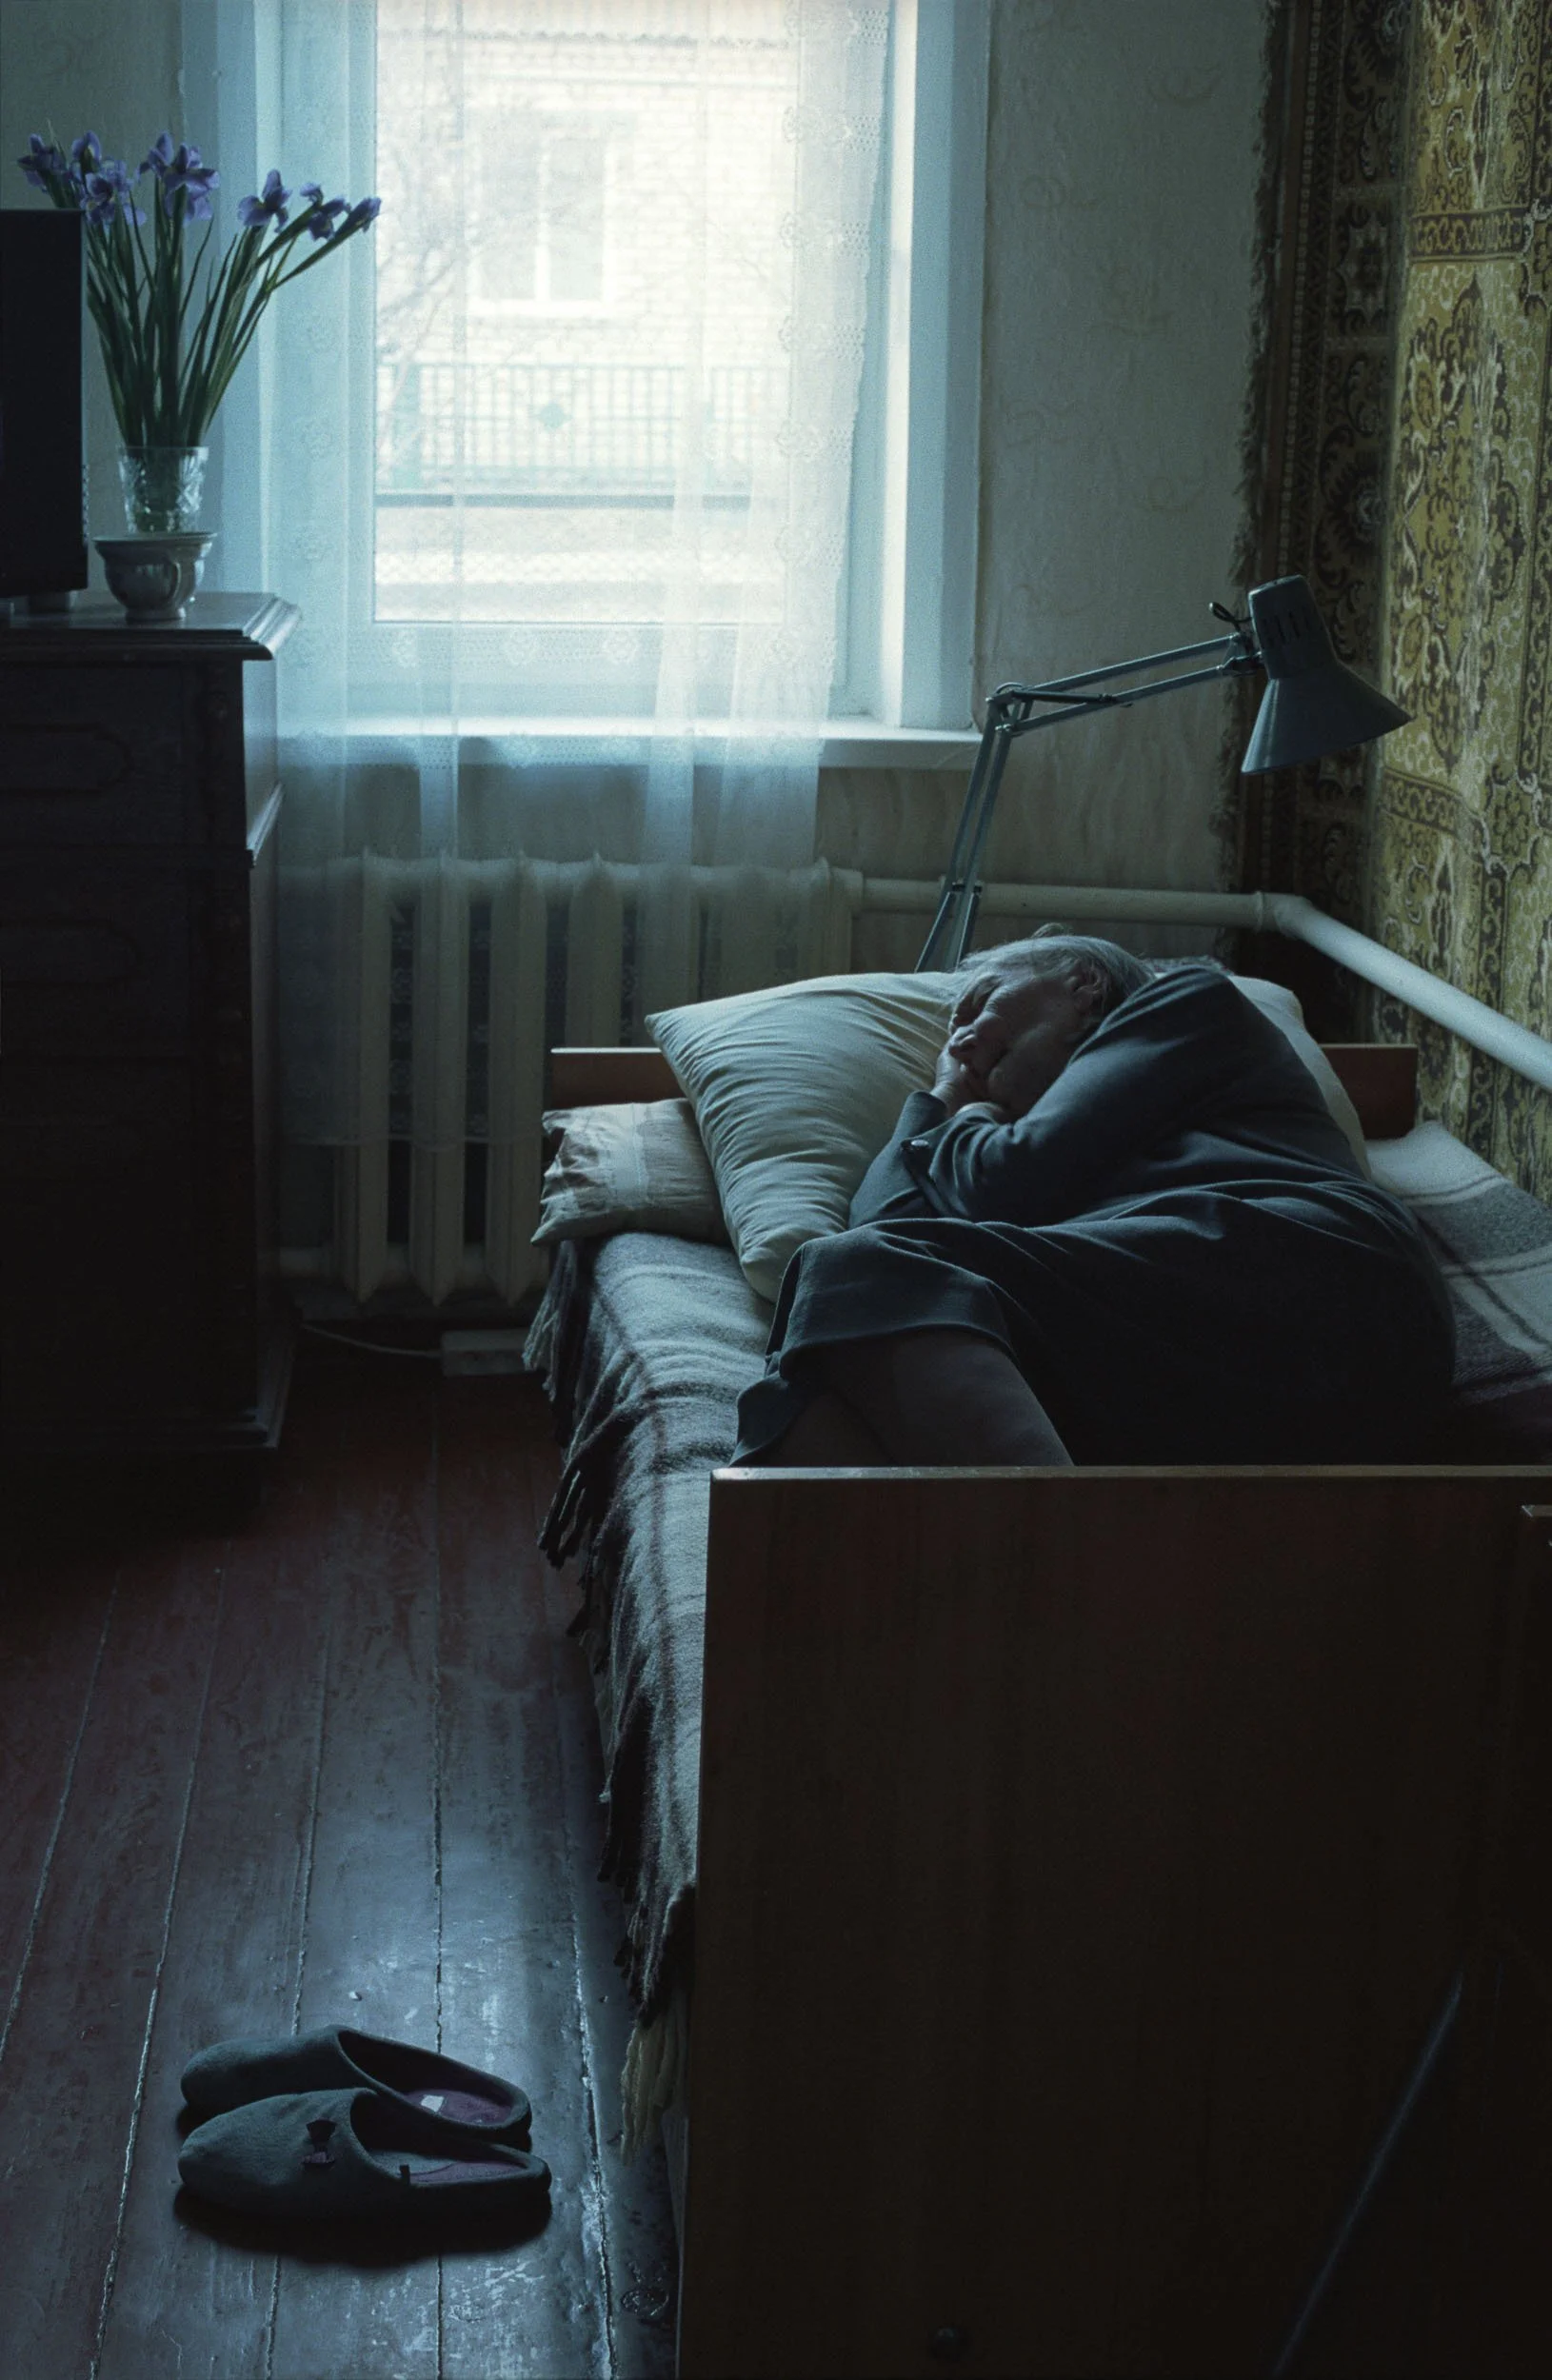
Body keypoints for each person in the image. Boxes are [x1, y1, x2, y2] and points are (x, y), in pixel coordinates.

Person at [732, 933, 1456, 1468]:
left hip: (1319, 1269)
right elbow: (887, 1229)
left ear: (1082, 984)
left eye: (984, 1005)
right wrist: (941, 1096)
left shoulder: (1188, 1001)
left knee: (848, 1278)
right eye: (956, 1037)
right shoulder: (1029, 1179)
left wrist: (970, 1115)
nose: (965, 1041)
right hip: (1192, 1354)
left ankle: (1068, 1566)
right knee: (802, 1396)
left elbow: (1002, 1181)